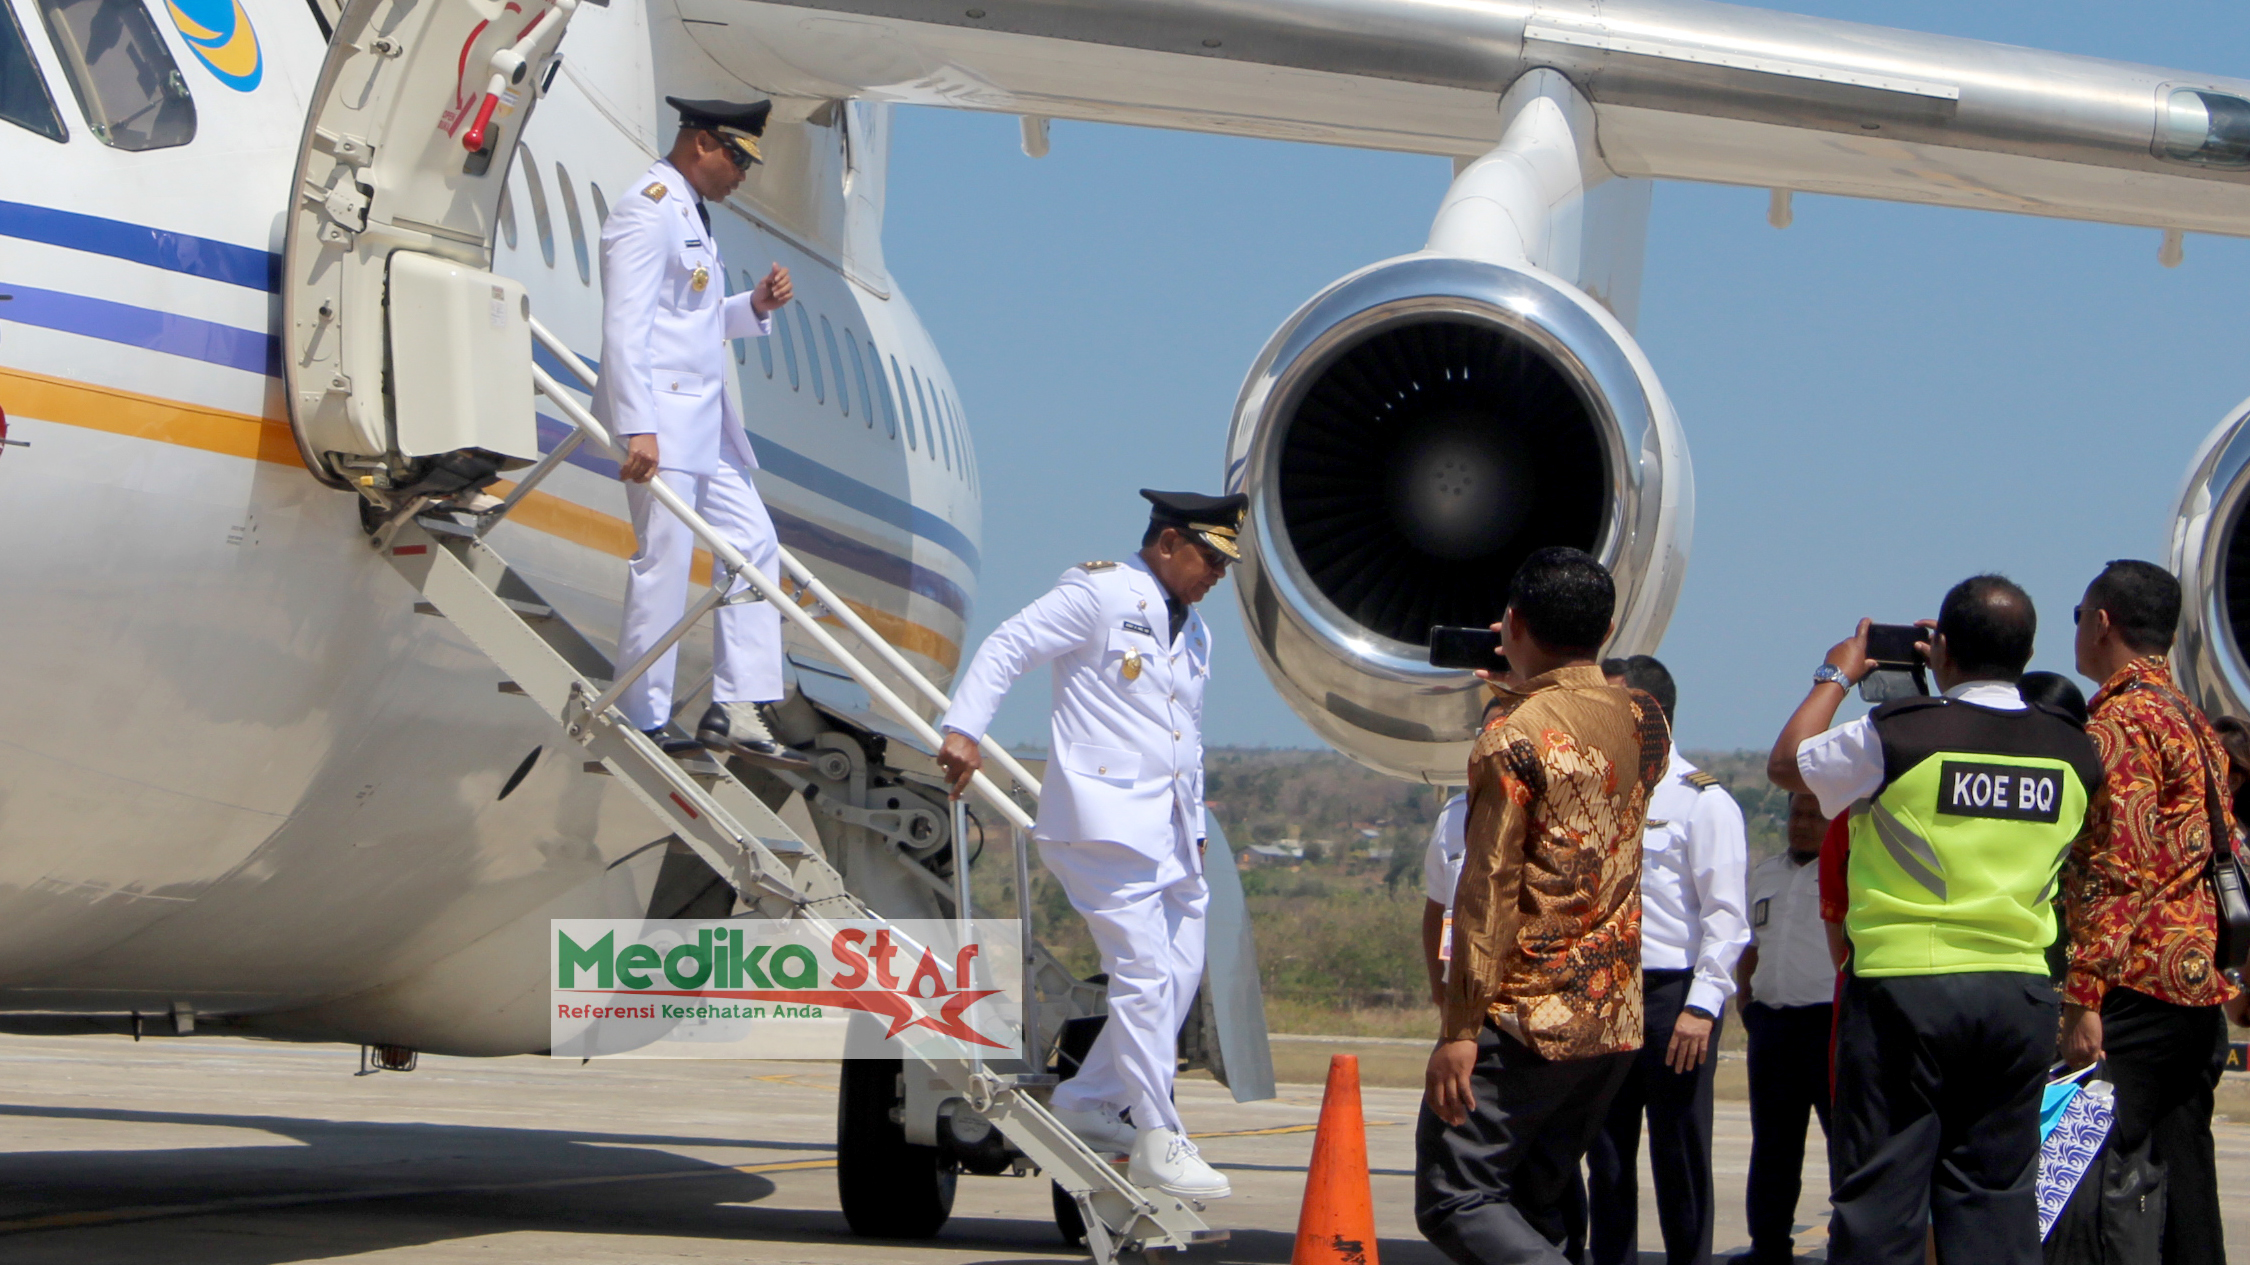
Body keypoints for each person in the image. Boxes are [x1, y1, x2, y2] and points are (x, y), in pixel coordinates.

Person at [1767, 575, 2104, 1265]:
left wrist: (1837, 673)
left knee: (1882, 1199)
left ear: (1942, 647)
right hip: (2018, 995)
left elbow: (1786, 763)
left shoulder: (1900, 732)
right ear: (2028, 652)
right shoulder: (2075, 750)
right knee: (1994, 1198)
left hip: (1906, 992)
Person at [934, 489, 1245, 1200]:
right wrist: (964, 728)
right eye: (1210, 558)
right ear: (1169, 542)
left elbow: (1186, 739)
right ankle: (1157, 1130)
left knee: (1179, 973)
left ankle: (1087, 1099)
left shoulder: (1195, 632)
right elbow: (1010, 644)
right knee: (1143, 972)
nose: (1216, 576)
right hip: (1102, 820)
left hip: (1170, 831)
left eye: (1225, 566)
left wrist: (1196, 830)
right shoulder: (1101, 593)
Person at [1417, 547, 1671, 1265]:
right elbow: (1589, 746)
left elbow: (1488, 888)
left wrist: (1459, 1026)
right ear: (1609, 628)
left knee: (1456, 1197)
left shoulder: (1510, 738)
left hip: (1526, 1015)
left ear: (1513, 624)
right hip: (1611, 1015)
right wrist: (1527, 690)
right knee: (1535, 1198)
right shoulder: (1647, 717)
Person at [595, 96, 796, 759]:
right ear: (701, 143)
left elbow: (691, 320)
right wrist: (637, 425)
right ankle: (643, 714)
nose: (742, 175)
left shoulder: (690, 212)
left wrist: (752, 305)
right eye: (736, 158)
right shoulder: (648, 208)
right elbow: (626, 325)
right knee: (666, 562)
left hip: (705, 427)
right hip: (662, 424)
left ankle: (739, 705)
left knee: (754, 543)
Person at [2061, 559, 2237, 1265]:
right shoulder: (2191, 718)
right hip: (2195, 979)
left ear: (2103, 623)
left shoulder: (2122, 721)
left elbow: (2117, 867)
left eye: (2080, 615)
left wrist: (2084, 994)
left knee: (2079, 1171)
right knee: (2186, 1172)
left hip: (2136, 979)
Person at [1586, 654, 1750, 1265]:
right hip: (1606, 992)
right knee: (1606, 1156)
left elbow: (1726, 917)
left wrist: (1702, 1007)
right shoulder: (1597, 795)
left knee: (1678, 1155)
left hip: (1671, 997)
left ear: (1648, 712)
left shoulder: (1702, 802)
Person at [1735, 793, 1837, 1265]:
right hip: (1772, 1026)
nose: (1802, 823)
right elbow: (1751, 944)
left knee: (1844, 1144)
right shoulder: (1766, 874)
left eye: (1815, 816)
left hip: (1828, 1026)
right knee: (1773, 1146)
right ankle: (1769, 1248)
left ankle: (1850, 1245)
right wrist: (1746, 1000)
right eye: (1796, 813)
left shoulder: (1845, 871)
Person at [1420, 789, 1470, 1008]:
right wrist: (1441, 994)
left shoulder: (1561, 814)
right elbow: (1436, 909)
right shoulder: (1454, 816)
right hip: (1466, 997)